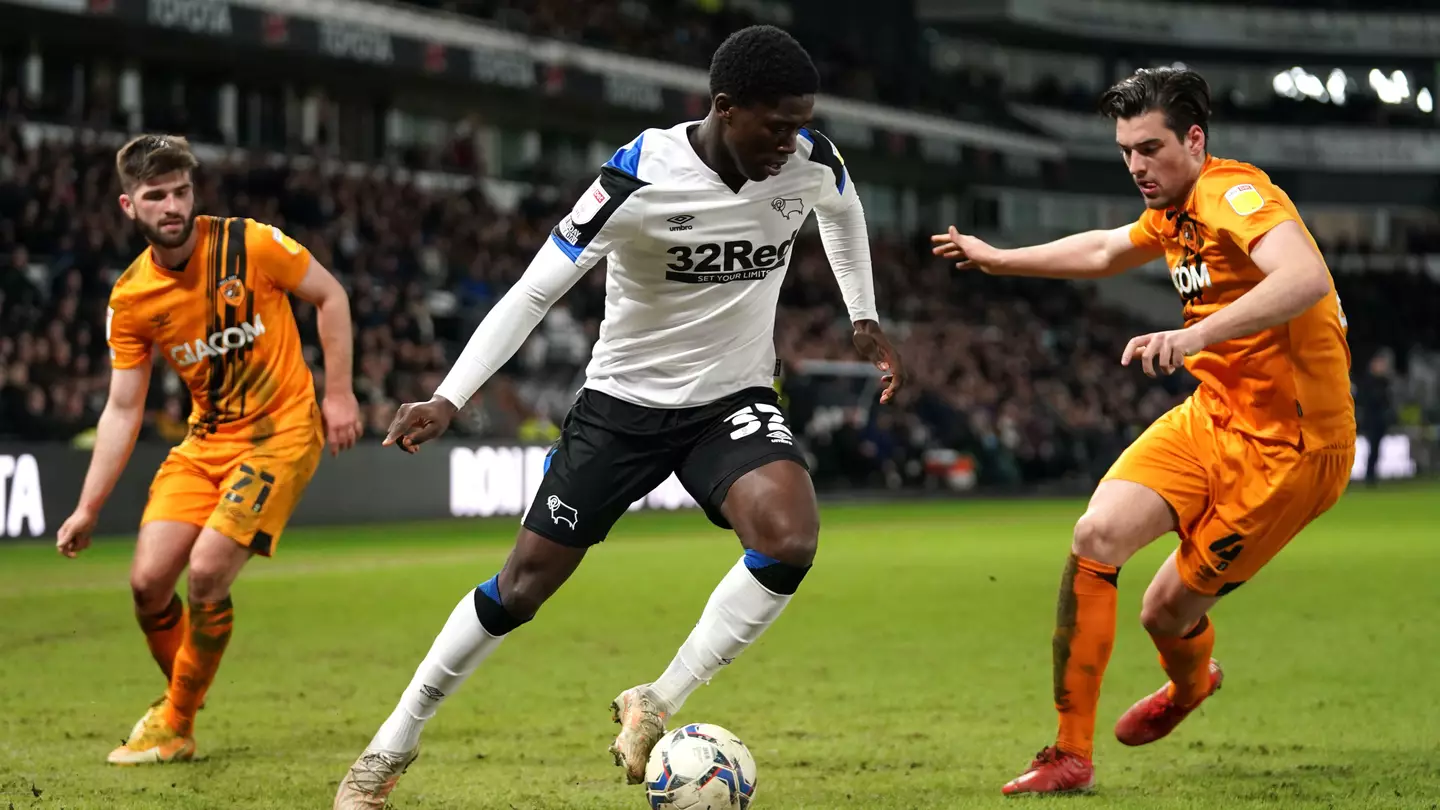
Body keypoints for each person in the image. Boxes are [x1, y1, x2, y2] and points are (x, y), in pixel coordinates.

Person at [334, 25, 903, 809]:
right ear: (724, 108)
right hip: (622, 407)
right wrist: (450, 396)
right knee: (521, 589)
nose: (792, 141)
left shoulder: (810, 163)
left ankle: (658, 700)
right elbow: (535, 291)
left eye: (802, 123)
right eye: (777, 126)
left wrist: (863, 313)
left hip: (731, 401)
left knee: (789, 540)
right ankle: (389, 745)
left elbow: (843, 211)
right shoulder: (638, 178)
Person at [932, 67, 1355, 795]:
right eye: (1126, 149)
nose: (1136, 165)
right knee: (1096, 537)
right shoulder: (1173, 212)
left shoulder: (1234, 193)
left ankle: (1190, 685)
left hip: (1293, 450)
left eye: (1150, 147)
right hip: (1213, 415)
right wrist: (1000, 259)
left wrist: (1194, 338)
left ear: (1195, 140)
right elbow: (1103, 250)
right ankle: (1068, 753)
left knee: (1165, 612)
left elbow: (1305, 279)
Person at [55, 134, 362, 765]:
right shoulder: (132, 298)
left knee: (206, 573)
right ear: (128, 206)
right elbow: (121, 409)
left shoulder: (251, 243)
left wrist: (340, 396)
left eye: (181, 191)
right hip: (205, 441)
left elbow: (331, 295)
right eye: (156, 195)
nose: (172, 206)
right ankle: (179, 708)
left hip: (281, 431)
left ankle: (175, 720)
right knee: (146, 584)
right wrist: (88, 508)